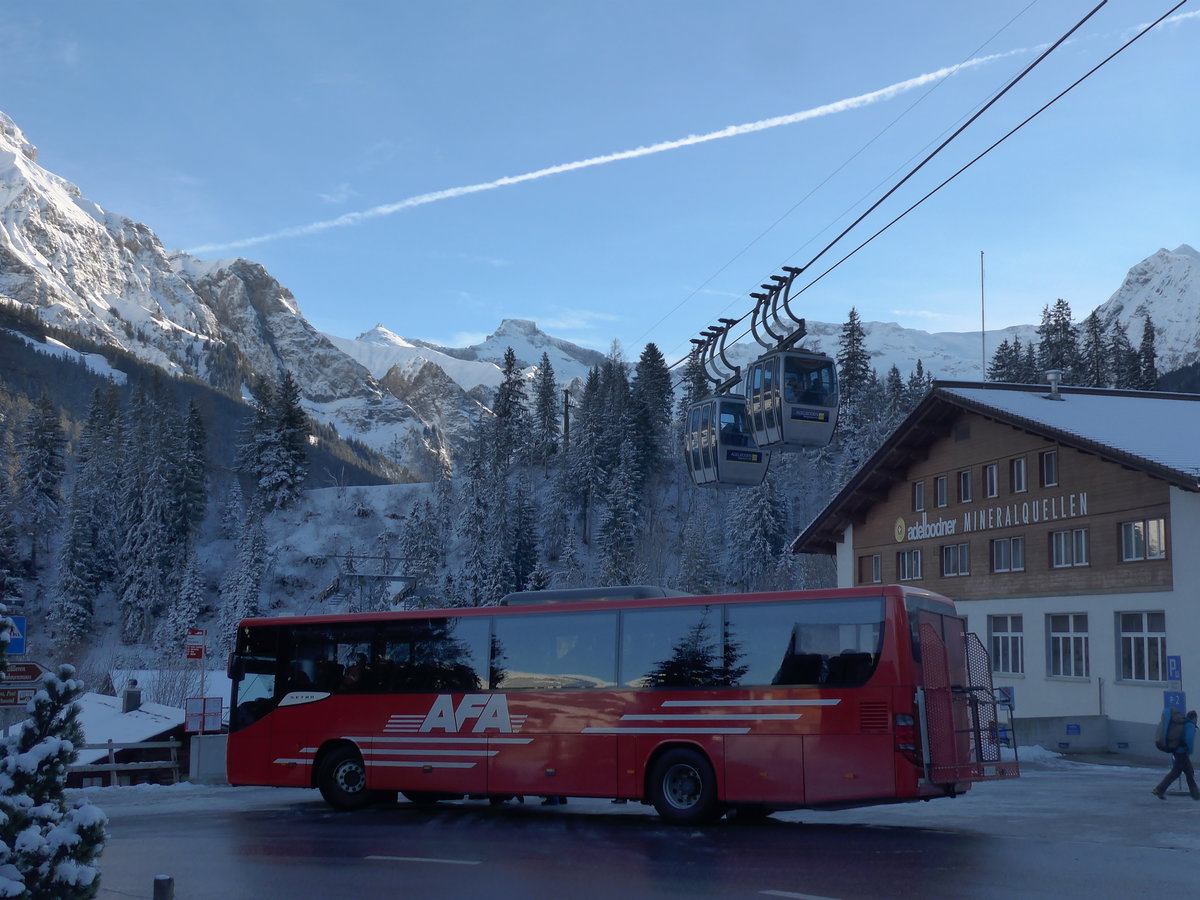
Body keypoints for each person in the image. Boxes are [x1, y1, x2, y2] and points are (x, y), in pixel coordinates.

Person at [1151, 708, 1199, 799]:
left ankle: (1195, 794)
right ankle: (1159, 789)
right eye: (1197, 719)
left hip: (1178, 750)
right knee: (1176, 772)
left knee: (1189, 771)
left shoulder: (1184, 724)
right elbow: (1189, 739)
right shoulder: (1190, 725)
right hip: (1182, 752)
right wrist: (1189, 751)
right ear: (1194, 718)